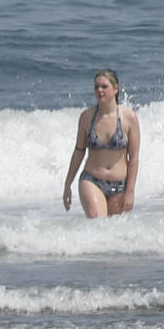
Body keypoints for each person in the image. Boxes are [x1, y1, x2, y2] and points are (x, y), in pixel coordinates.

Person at [62, 69, 140, 218]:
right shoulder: (86, 117)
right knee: (97, 223)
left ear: (115, 89)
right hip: (92, 180)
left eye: (104, 86)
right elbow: (79, 151)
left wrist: (130, 191)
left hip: (120, 185)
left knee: (114, 234)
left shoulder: (129, 118)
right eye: (96, 87)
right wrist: (67, 185)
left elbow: (134, 158)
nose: (99, 90)